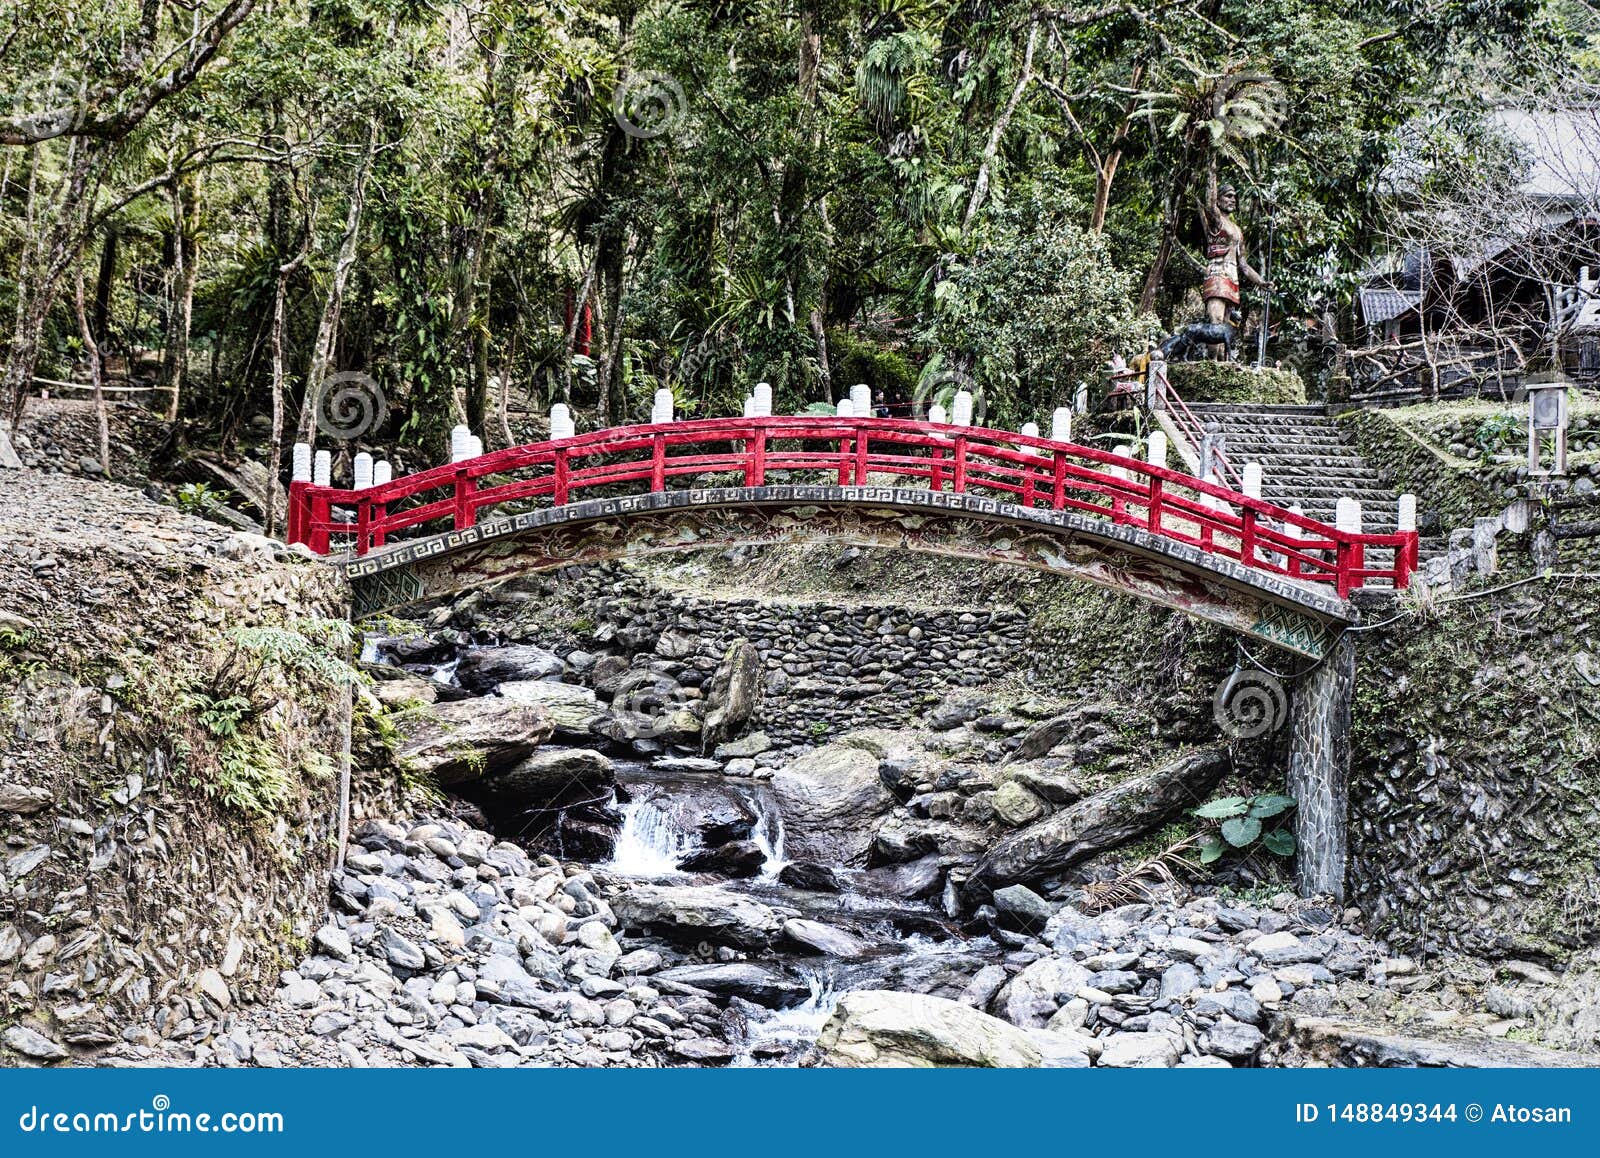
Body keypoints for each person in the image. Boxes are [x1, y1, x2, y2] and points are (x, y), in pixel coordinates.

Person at [1197, 165, 1270, 359]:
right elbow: (1209, 201)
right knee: (1216, 322)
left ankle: (1220, 365)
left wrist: (1261, 282)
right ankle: (1212, 364)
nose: (1232, 200)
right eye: (1228, 196)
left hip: (1232, 279)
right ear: (1219, 198)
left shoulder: (1237, 230)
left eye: (1234, 197)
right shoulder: (1216, 221)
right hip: (1216, 274)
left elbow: (1244, 265)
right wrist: (1212, 164)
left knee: (1225, 326)